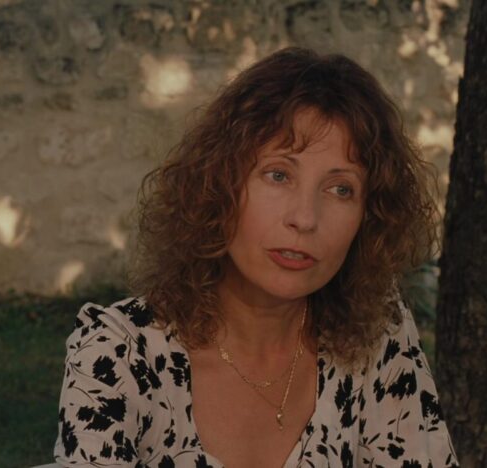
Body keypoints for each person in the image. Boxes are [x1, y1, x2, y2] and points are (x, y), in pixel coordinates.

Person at [53, 47, 459, 467]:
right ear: (219, 184)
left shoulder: (377, 341)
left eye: (341, 189)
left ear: (368, 217)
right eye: (278, 175)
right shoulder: (118, 356)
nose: (305, 218)